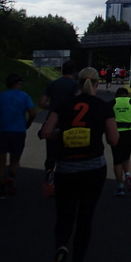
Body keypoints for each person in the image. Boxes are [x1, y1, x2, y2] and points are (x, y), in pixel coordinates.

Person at [40, 67, 118, 262]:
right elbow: (113, 139)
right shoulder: (103, 106)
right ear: (96, 84)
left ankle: (61, 246)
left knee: (65, 213)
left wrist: (64, 134)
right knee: (85, 217)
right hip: (94, 169)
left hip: (66, 168)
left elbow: (46, 132)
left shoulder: (64, 105)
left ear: (78, 83)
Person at [0, 73, 37, 200]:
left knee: (1, 163)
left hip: (2, 132)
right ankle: (11, 177)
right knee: (15, 160)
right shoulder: (24, 96)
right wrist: (27, 123)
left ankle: (2, 191)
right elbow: (33, 113)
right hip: (18, 132)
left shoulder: (0, 97)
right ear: (18, 84)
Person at [38, 59, 79, 197]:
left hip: (51, 121)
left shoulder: (52, 84)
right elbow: (77, 103)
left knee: (51, 153)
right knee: (67, 153)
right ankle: (64, 182)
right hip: (68, 123)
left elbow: (42, 102)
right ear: (74, 72)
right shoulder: (75, 85)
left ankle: (49, 174)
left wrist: (53, 106)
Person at [109, 87, 131, 196]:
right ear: (126, 94)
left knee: (117, 159)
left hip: (117, 132)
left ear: (117, 95)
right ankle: (127, 175)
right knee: (126, 157)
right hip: (129, 132)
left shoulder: (112, 102)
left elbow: (106, 117)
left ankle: (120, 186)